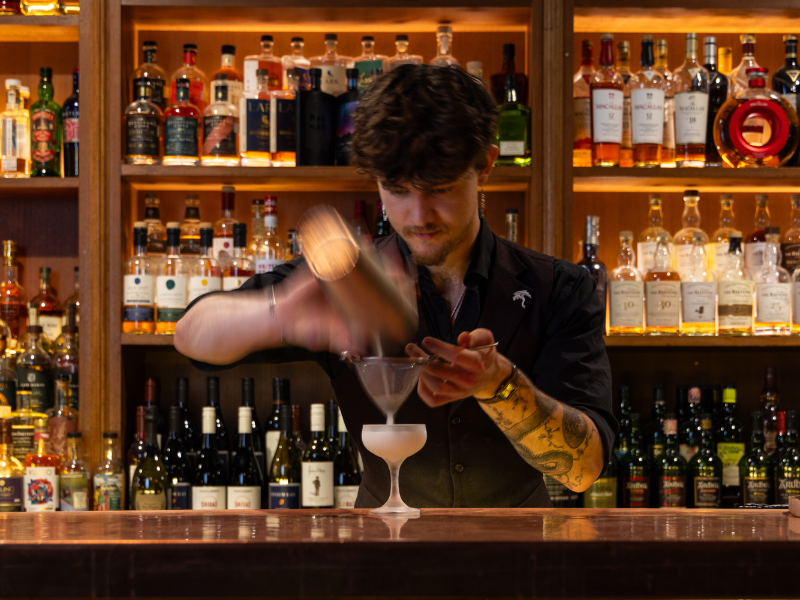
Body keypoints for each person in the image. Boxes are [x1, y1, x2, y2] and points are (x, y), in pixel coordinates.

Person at [175, 64, 616, 508]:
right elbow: (192, 335)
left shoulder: (559, 287)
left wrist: (501, 385)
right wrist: (282, 313)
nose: (418, 215)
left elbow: (583, 469)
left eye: (440, 189)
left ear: (485, 165)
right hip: (379, 557)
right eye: (398, 190)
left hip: (519, 559)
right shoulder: (349, 283)